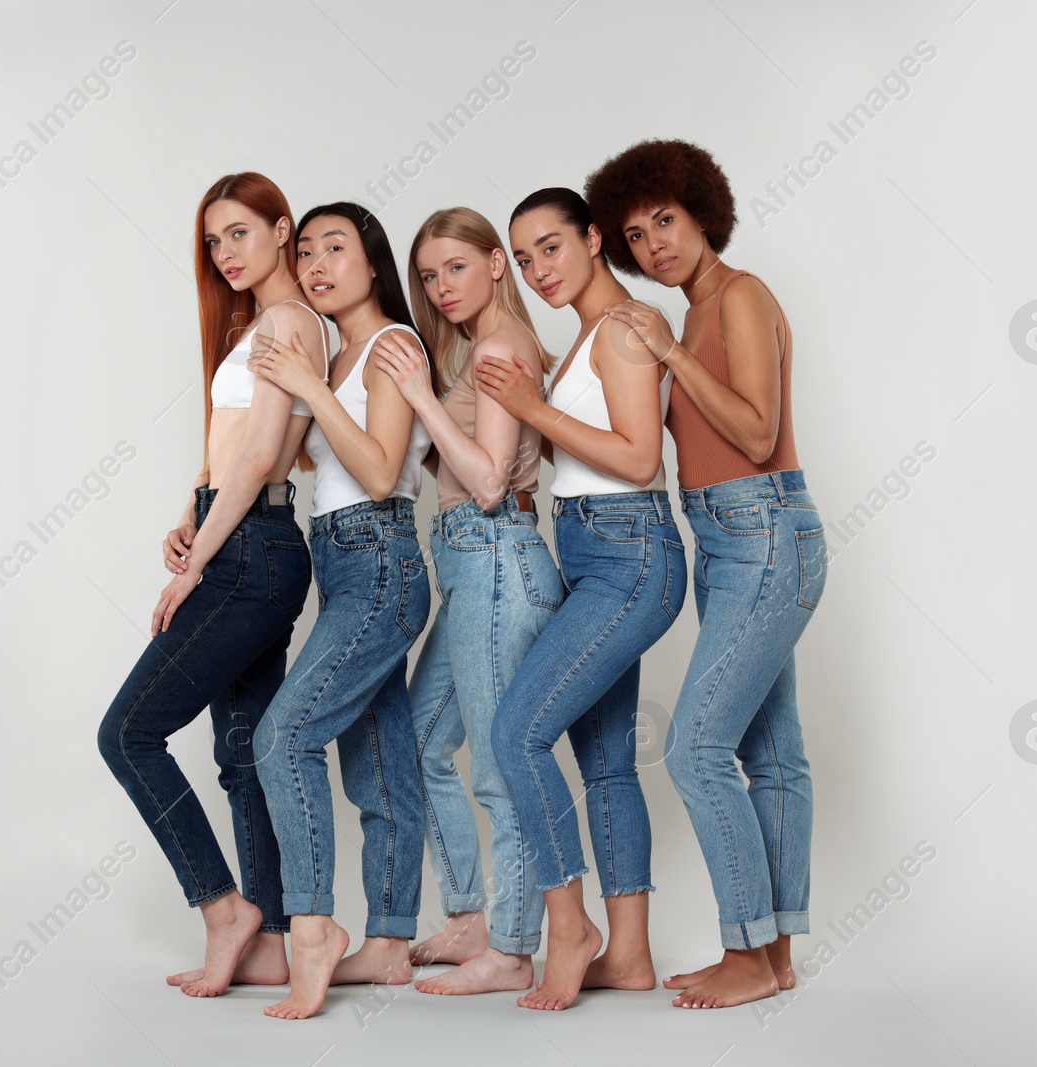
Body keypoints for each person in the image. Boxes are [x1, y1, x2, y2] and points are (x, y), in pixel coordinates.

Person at [587, 137, 828, 1009]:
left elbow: (759, 434)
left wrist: (671, 353)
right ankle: (775, 958)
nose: (654, 244)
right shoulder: (687, 314)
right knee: (772, 753)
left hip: (766, 529)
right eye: (637, 235)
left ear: (701, 213)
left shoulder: (739, 295)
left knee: (694, 747)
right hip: (725, 541)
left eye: (665, 220)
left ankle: (745, 949)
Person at [97, 172, 328, 997]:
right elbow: (228, 451)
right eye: (213, 240)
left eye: (239, 232)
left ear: (280, 228)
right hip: (240, 535)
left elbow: (264, 454)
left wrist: (199, 563)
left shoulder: (291, 322)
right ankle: (265, 935)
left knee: (127, 733)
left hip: (252, 553)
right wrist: (189, 515)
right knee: (242, 756)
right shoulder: (257, 326)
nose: (225, 252)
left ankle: (224, 907)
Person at [475, 187, 687, 1010]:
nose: (538, 270)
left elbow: (638, 461)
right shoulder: (586, 339)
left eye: (552, 247)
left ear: (595, 238)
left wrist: (529, 408)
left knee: (518, 732)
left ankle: (570, 926)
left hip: (631, 552)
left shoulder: (627, 329)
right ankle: (630, 954)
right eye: (524, 259)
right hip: (596, 551)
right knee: (604, 761)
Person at [247, 202, 434, 1020]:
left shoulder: (393, 345)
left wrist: (311, 388)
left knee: (282, 736)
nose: (319, 264)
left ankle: (312, 926)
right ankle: (391, 943)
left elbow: (384, 470)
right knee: (380, 758)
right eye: (310, 251)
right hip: (343, 561)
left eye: (337, 248)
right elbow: (292, 454)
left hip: (381, 559)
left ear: (372, 261)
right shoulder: (341, 350)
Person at [368, 207, 559, 995]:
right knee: (418, 742)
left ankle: (512, 948)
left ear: (494, 264)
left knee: (497, 763)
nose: (440, 286)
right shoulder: (479, 347)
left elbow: (486, 481)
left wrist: (418, 393)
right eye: (427, 273)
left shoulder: (502, 346)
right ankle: (473, 917)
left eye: (455, 266)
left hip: (497, 556)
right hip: (471, 565)